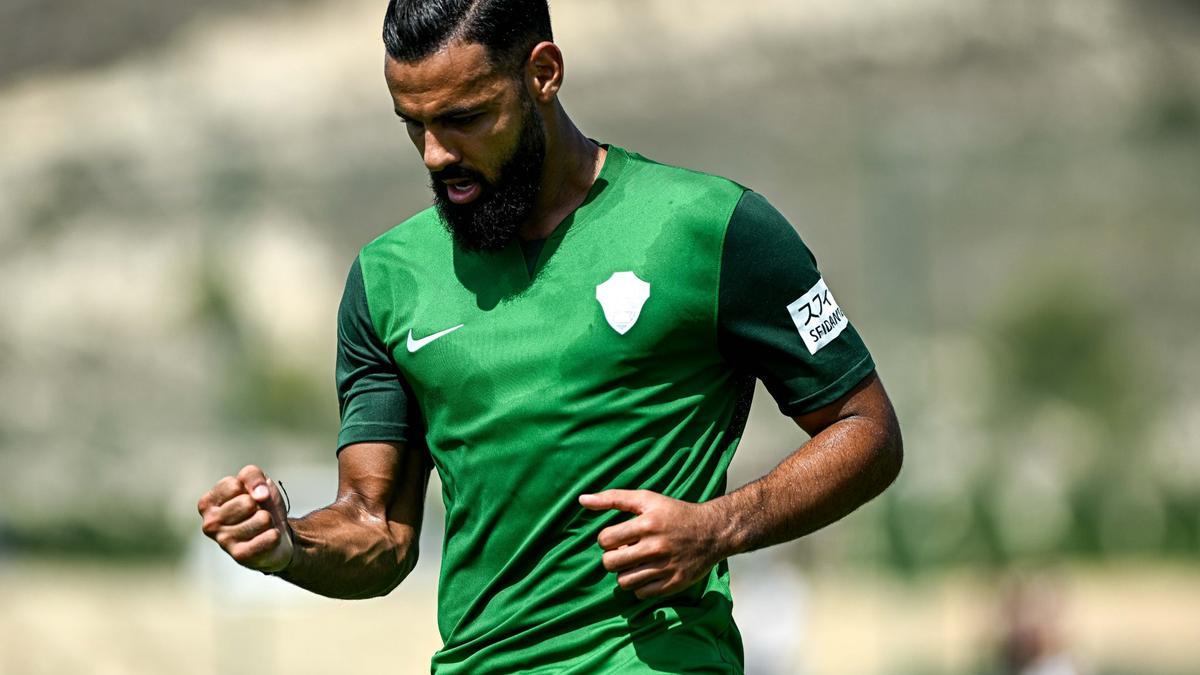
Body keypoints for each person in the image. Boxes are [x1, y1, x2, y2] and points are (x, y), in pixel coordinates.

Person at [196, 1, 903, 672]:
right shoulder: (387, 279)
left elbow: (865, 427)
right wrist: (289, 543)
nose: (436, 154)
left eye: (463, 118)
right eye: (412, 124)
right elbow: (376, 528)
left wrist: (718, 527)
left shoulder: (713, 228)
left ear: (543, 73)